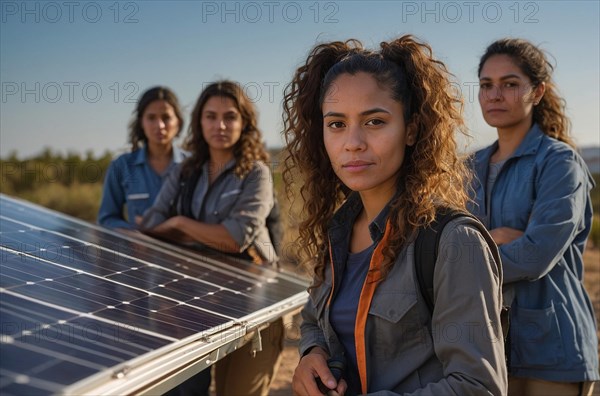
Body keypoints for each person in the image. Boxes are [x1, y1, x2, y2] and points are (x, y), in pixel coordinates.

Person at [283, 35, 507, 395]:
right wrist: (312, 352)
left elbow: (478, 386)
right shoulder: (338, 230)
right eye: (337, 124)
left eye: (374, 122)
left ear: (412, 129)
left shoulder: (451, 241)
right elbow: (314, 319)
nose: (352, 142)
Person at [469, 38, 599, 395]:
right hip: (487, 347)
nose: (495, 95)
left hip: (553, 348)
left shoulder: (560, 163)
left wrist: (473, 254)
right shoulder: (468, 168)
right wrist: (495, 241)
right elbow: (446, 246)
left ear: (537, 92)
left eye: (510, 84)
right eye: (486, 85)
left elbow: (535, 256)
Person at [141, 80, 283, 396]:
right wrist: (185, 227)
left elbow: (236, 239)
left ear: (244, 122)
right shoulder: (184, 172)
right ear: (199, 122)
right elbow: (150, 222)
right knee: (187, 389)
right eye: (211, 116)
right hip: (191, 301)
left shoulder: (256, 173)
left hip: (252, 302)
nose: (220, 125)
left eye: (230, 116)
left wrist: (178, 222)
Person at [98, 86, 186, 229]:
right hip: (138, 250)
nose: (160, 125)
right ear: (141, 122)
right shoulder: (122, 166)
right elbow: (107, 218)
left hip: (185, 250)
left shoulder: (194, 165)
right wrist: (133, 234)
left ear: (178, 122)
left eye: (166, 117)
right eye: (151, 118)